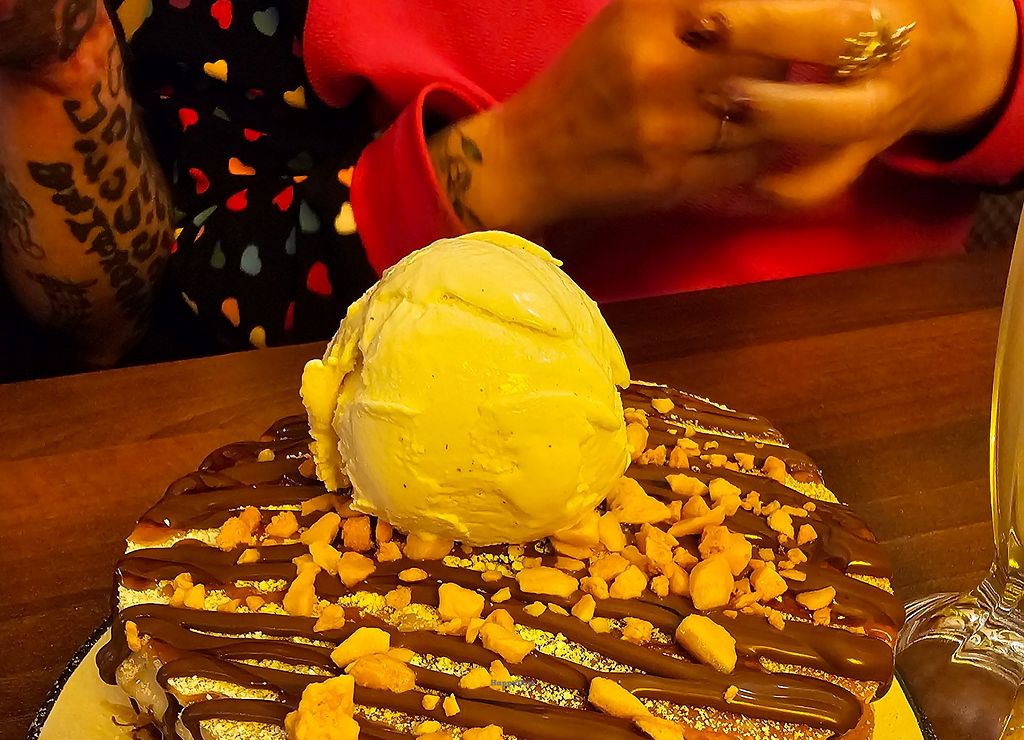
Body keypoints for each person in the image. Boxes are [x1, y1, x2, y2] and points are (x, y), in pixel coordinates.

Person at [1, 0, 1021, 369]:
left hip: (902, 426)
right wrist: (523, 163)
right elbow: (176, 308)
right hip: (398, 466)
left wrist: (977, 59)